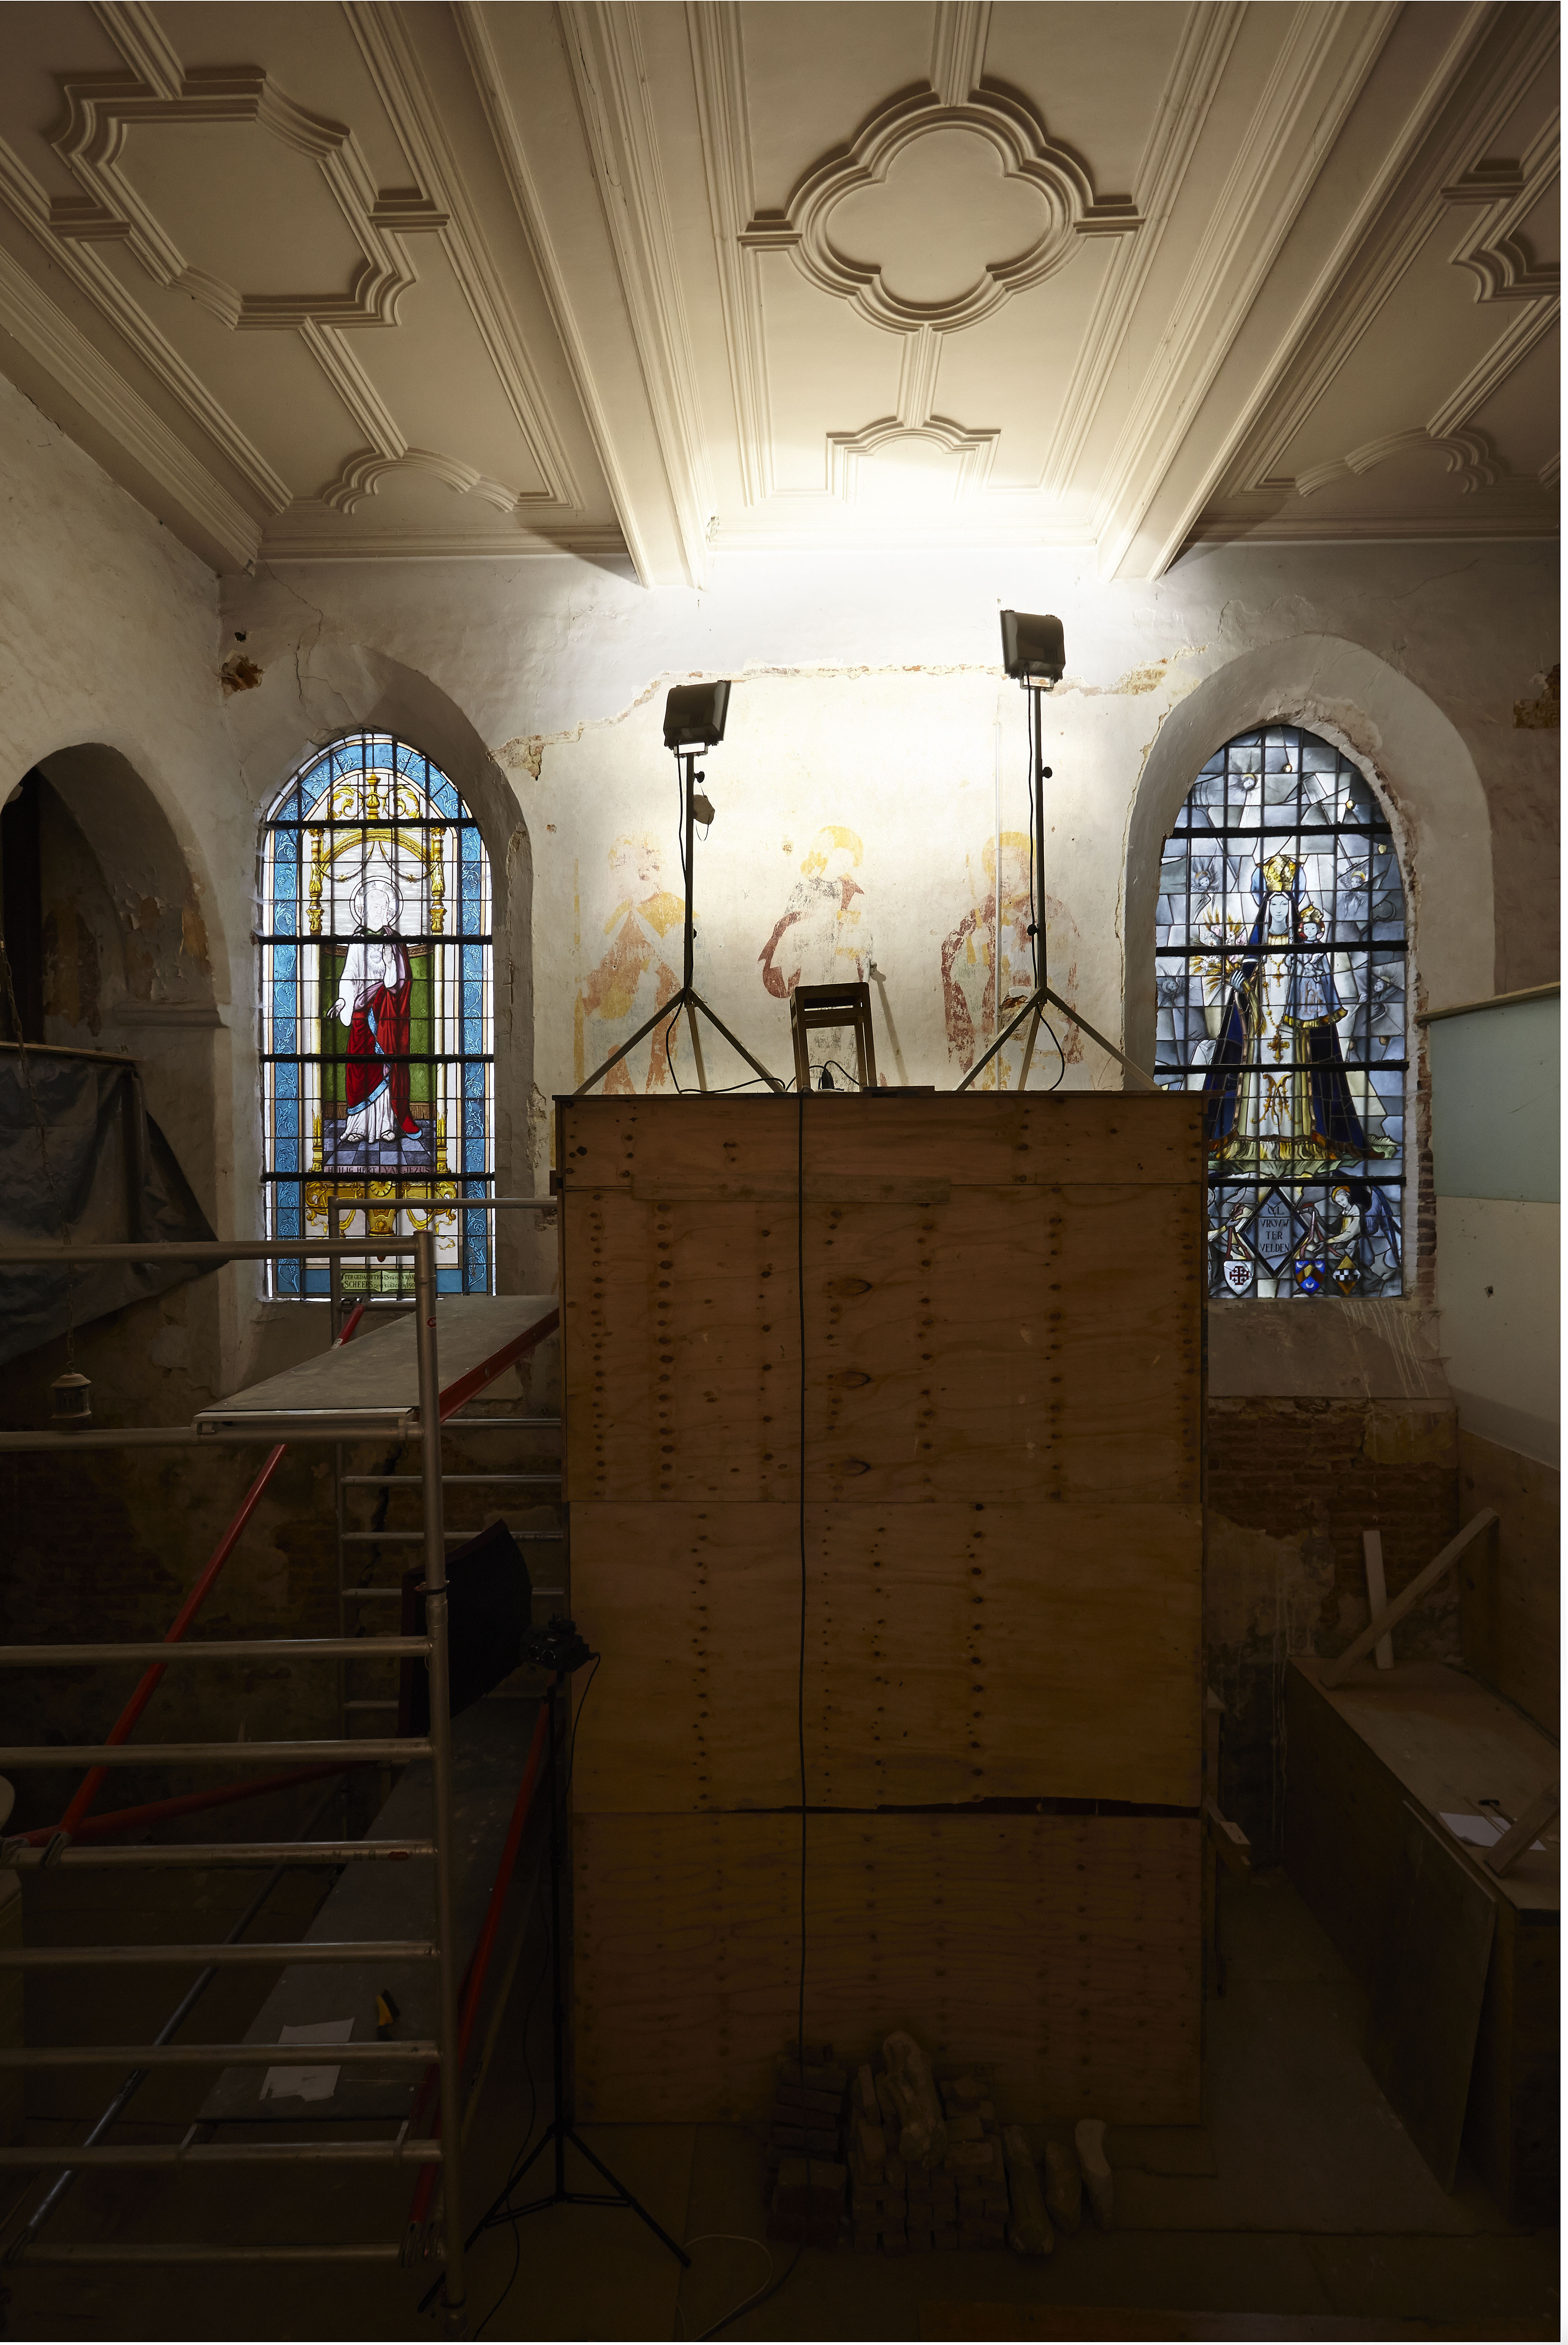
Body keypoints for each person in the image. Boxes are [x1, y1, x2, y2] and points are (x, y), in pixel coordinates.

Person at [328, 863, 421, 1161]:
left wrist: (391, 962)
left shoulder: (395, 942)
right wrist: (343, 1001)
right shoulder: (357, 941)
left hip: (386, 1014)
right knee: (360, 1068)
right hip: (361, 1012)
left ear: (389, 911)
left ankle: (385, 1125)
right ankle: (357, 1126)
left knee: (386, 1066)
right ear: (365, 910)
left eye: (383, 907)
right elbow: (349, 974)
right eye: (374, 907)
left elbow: (399, 983)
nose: (379, 911)